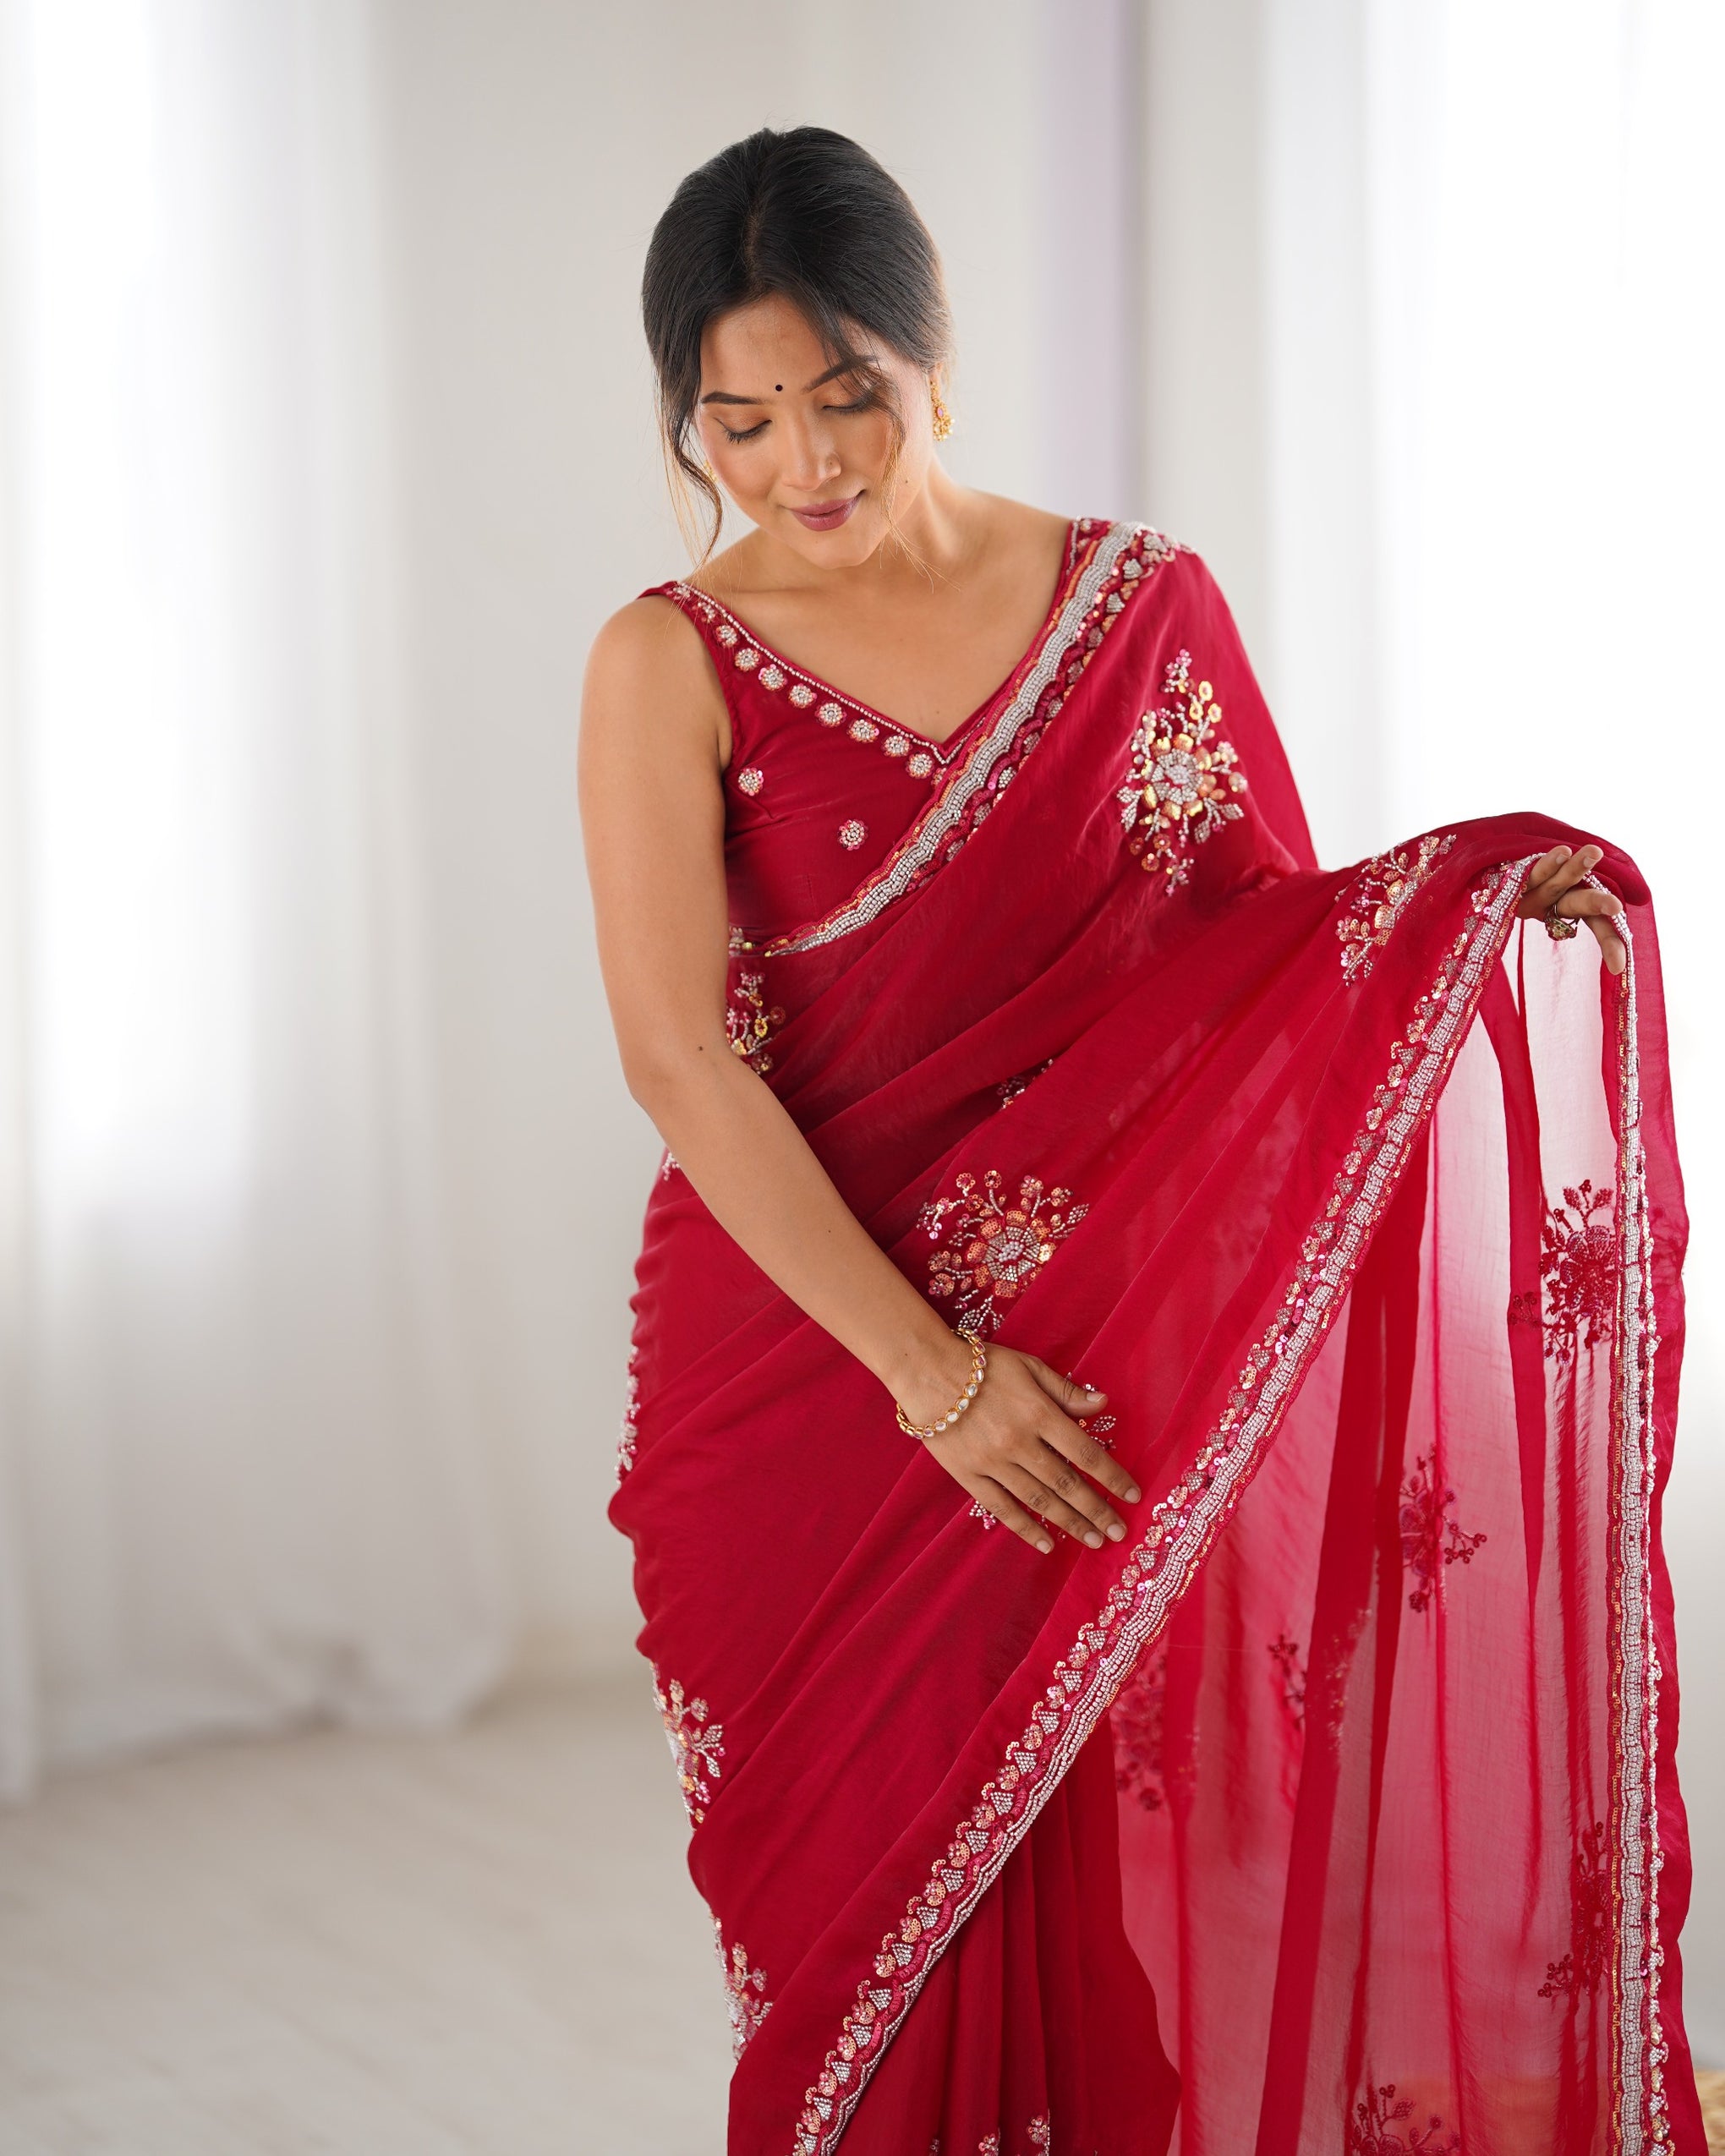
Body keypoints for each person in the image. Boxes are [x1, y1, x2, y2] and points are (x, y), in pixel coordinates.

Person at [578, 125, 1705, 2156]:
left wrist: (1456, 911)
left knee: (1087, 1898)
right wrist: (936, 1381)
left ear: (934, 358)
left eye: (846, 396)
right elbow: (680, 1064)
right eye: (738, 422)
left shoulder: (1136, 603)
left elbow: (1265, 950)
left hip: (1094, 1359)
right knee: (864, 1944)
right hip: (811, 1372)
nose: (803, 462)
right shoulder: (667, 660)